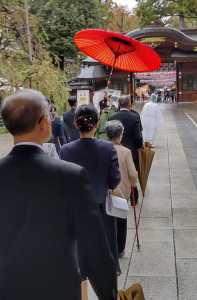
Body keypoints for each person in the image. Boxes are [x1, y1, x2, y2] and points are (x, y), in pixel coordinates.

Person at [0, 89, 118, 300]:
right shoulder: (71, 176)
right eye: (49, 115)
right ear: (42, 123)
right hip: (60, 290)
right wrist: (109, 294)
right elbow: (95, 249)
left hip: (7, 290)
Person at [59, 104, 121, 297]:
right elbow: (114, 179)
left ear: (76, 125)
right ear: (96, 124)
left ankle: (82, 296)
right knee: (106, 257)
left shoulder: (66, 151)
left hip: (75, 213)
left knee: (79, 259)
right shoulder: (108, 147)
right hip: (102, 210)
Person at [104, 120, 138, 258]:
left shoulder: (102, 148)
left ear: (106, 135)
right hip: (121, 192)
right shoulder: (125, 151)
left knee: (106, 220)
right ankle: (119, 249)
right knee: (121, 220)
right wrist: (133, 184)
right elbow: (132, 173)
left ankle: (107, 247)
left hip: (104, 191)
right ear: (120, 136)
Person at [109, 95, 143, 205]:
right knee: (131, 173)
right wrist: (139, 146)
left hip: (114, 150)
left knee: (117, 173)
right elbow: (138, 136)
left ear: (119, 104)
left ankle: (118, 194)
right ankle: (134, 198)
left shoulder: (112, 117)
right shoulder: (135, 117)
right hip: (132, 151)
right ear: (129, 104)